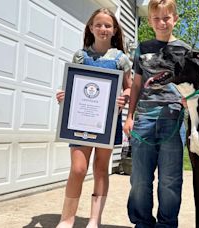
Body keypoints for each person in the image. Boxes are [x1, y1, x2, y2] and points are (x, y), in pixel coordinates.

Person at [56, 8, 132, 228]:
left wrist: (123, 98)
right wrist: (64, 94)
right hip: (79, 122)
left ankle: (94, 220)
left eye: (108, 25)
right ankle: (67, 218)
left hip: (107, 123)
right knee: (78, 169)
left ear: (114, 29)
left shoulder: (121, 59)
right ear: (91, 27)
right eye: (98, 24)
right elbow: (72, 85)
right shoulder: (81, 56)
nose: (103, 29)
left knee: (100, 169)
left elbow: (129, 88)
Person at [123, 0, 190, 227]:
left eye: (166, 18)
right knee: (140, 179)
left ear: (175, 19)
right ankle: (142, 223)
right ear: (150, 21)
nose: (162, 23)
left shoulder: (185, 50)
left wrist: (189, 101)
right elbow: (136, 85)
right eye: (157, 19)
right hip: (144, 119)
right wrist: (130, 116)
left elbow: (195, 83)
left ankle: (167, 224)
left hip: (173, 118)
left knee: (170, 180)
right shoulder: (143, 48)